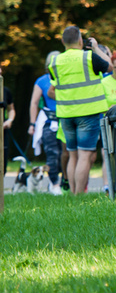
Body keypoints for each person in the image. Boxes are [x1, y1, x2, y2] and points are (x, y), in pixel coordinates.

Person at [47, 26, 112, 194]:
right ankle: (78, 195)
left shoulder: (54, 62)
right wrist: (96, 47)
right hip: (87, 113)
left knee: (72, 155)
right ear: (81, 41)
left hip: (66, 114)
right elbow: (110, 67)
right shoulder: (89, 57)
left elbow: (55, 86)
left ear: (63, 41)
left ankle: (73, 193)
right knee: (84, 155)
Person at [27, 52, 64, 194]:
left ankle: (64, 182)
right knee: (52, 153)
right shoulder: (41, 81)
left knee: (65, 154)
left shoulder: (67, 78)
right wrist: (32, 124)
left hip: (66, 119)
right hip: (49, 122)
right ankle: (54, 184)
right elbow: (34, 103)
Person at [1, 66, 15, 176]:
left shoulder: (5, 91)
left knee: (3, 160)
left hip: (3, 130)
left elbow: (11, 110)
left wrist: (9, 120)